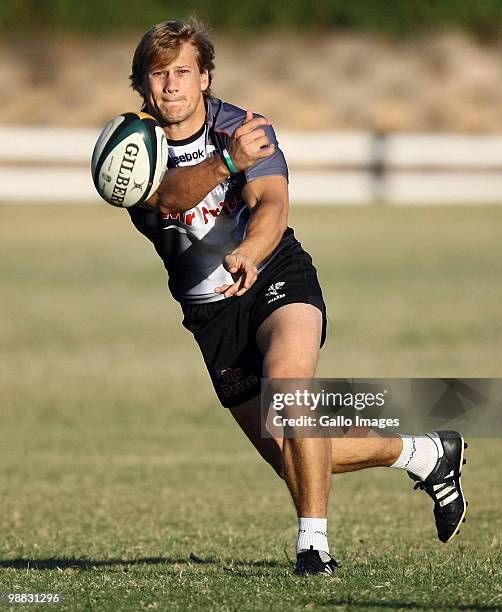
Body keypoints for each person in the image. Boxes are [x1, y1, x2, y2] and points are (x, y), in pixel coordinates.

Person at [126, 18, 468, 576]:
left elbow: (272, 206)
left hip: (274, 274)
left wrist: (251, 253)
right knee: (289, 455)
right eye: (158, 74)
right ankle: (426, 452)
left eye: (183, 72)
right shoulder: (132, 144)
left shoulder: (242, 127)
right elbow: (164, 200)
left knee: (292, 389)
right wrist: (226, 164)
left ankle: (313, 546)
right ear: (142, 84)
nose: (171, 85)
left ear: (205, 77)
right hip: (211, 315)